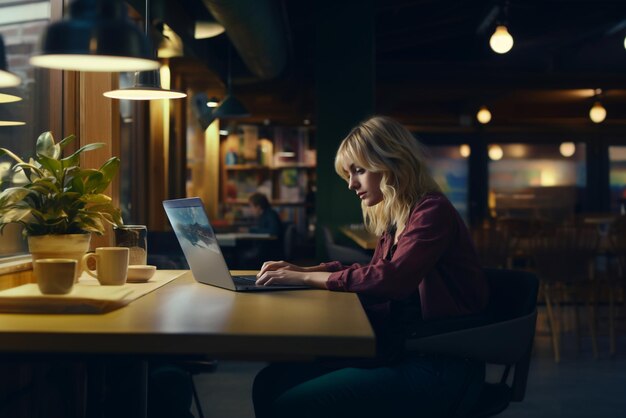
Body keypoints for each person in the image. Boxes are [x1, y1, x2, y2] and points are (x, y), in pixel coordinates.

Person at [252, 116, 489, 418]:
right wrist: (303, 271)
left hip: (439, 367)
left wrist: (307, 277)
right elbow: (374, 269)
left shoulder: (432, 211)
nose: (351, 184)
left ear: (392, 163)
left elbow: (393, 279)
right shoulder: (399, 218)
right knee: (269, 382)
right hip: (400, 351)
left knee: (288, 404)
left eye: (359, 171)